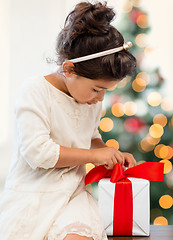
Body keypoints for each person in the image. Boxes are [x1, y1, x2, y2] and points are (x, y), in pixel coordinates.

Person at [0, 1, 137, 240]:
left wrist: (108, 152)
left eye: (106, 91)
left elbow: (90, 138)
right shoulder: (35, 91)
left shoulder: (89, 100)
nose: (100, 98)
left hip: (74, 194)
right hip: (33, 195)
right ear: (69, 69)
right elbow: (38, 153)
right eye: (96, 89)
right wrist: (94, 156)